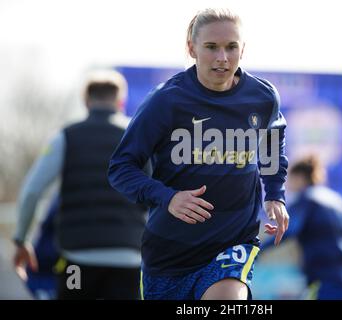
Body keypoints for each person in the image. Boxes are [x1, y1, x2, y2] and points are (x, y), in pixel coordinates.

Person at [108, 8, 289, 300]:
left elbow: (272, 141)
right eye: (211, 47)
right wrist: (168, 197)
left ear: (243, 48)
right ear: (191, 48)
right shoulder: (166, 101)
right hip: (169, 254)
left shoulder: (263, 98)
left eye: (231, 47)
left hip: (233, 243)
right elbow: (121, 167)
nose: (222, 57)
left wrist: (275, 195)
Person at [13, 69, 147, 300]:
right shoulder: (138, 137)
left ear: (86, 101)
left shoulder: (65, 137)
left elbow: (32, 192)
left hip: (77, 260)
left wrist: (22, 239)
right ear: (121, 101)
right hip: (128, 260)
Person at [261, 155, 342, 300]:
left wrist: (257, 249)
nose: (289, 185)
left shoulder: (305, 200)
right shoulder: (337, 202)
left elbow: (287, 230)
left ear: (299, 177)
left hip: (325, 283)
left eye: (290, 179)